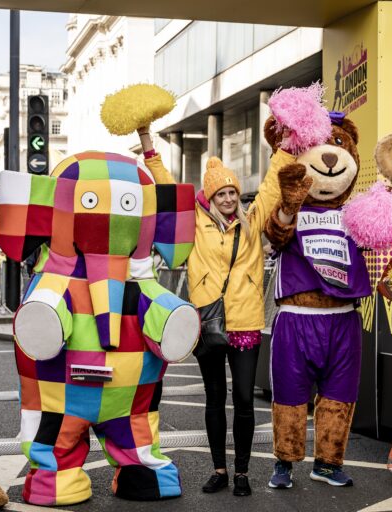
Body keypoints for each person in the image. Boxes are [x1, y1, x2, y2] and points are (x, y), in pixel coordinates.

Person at [139, 130, 295, 497]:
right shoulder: (194, 223)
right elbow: (166, 188)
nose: (227, 199)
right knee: (212, 398)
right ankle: (219, 470)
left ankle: (242, 473)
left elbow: (273, 183)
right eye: (220, 194)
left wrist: (286, 144)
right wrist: (148, 143)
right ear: (210, 197)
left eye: (231, 193)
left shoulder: (251, 222)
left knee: (243, 398)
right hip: (207, 323)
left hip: (246, 323)